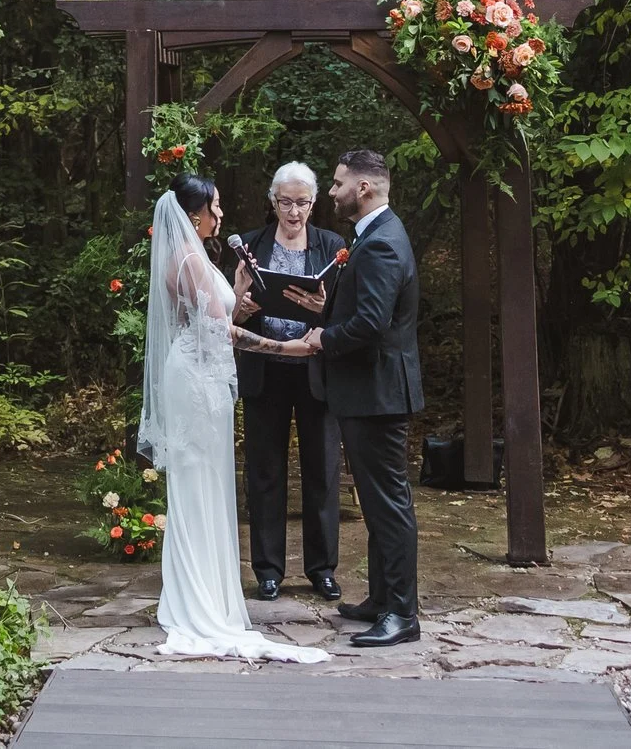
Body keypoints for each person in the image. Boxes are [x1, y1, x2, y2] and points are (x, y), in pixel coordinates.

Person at [138, 174, 328, 663]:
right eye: (215, 207)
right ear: (193, 213)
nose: (221, 215)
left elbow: (220, 320)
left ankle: (208, 590)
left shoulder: (197, 258)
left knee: (209, 484)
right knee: (198, 485)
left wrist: (241, 290)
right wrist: (286, 346)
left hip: (202, 378)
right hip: (195, 384)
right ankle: (196, 599)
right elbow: (224, 334)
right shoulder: (187, 260)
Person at [283, 148, 422, 648]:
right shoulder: (372, 237)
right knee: (380, 502)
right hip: (368, 391)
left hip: (377, 393)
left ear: (364, 188)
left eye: (339, 183)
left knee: (388, 505)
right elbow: (362, 307)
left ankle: (403, 614)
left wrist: (323, 337)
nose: (334, 192)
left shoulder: (383, 243)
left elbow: (372, 322)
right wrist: (328, 308)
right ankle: (383, 599)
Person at [227, 161, 343, 602]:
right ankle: (268, 570)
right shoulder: (251, 245)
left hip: (315, 368)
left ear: (314, 204)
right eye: (285, 202)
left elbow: (344, 314)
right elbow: (228, 316)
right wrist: (243, 309)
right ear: (272, 201)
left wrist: (323, 310)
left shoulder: (331, 246)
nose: (294, 212)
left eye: (303, 203)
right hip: (264, 367)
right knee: (265, 473)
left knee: (322, 472)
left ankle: (322, 568)